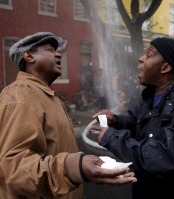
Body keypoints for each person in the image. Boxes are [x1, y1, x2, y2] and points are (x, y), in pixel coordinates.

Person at [0, 32, 136, 199]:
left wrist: (81, 168)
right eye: (50, 49)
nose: (58, 54)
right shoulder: (21, 95)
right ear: (28, 56)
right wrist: (74, 167)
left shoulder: (44, 95)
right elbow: (12, 169)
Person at [92, 37, 174, 199]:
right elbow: (139, 124)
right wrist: (116, 121)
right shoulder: (152, 96)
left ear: (166, 67)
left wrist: (112, 138)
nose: (141, 58)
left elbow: (168, 157)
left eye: (148, 55)